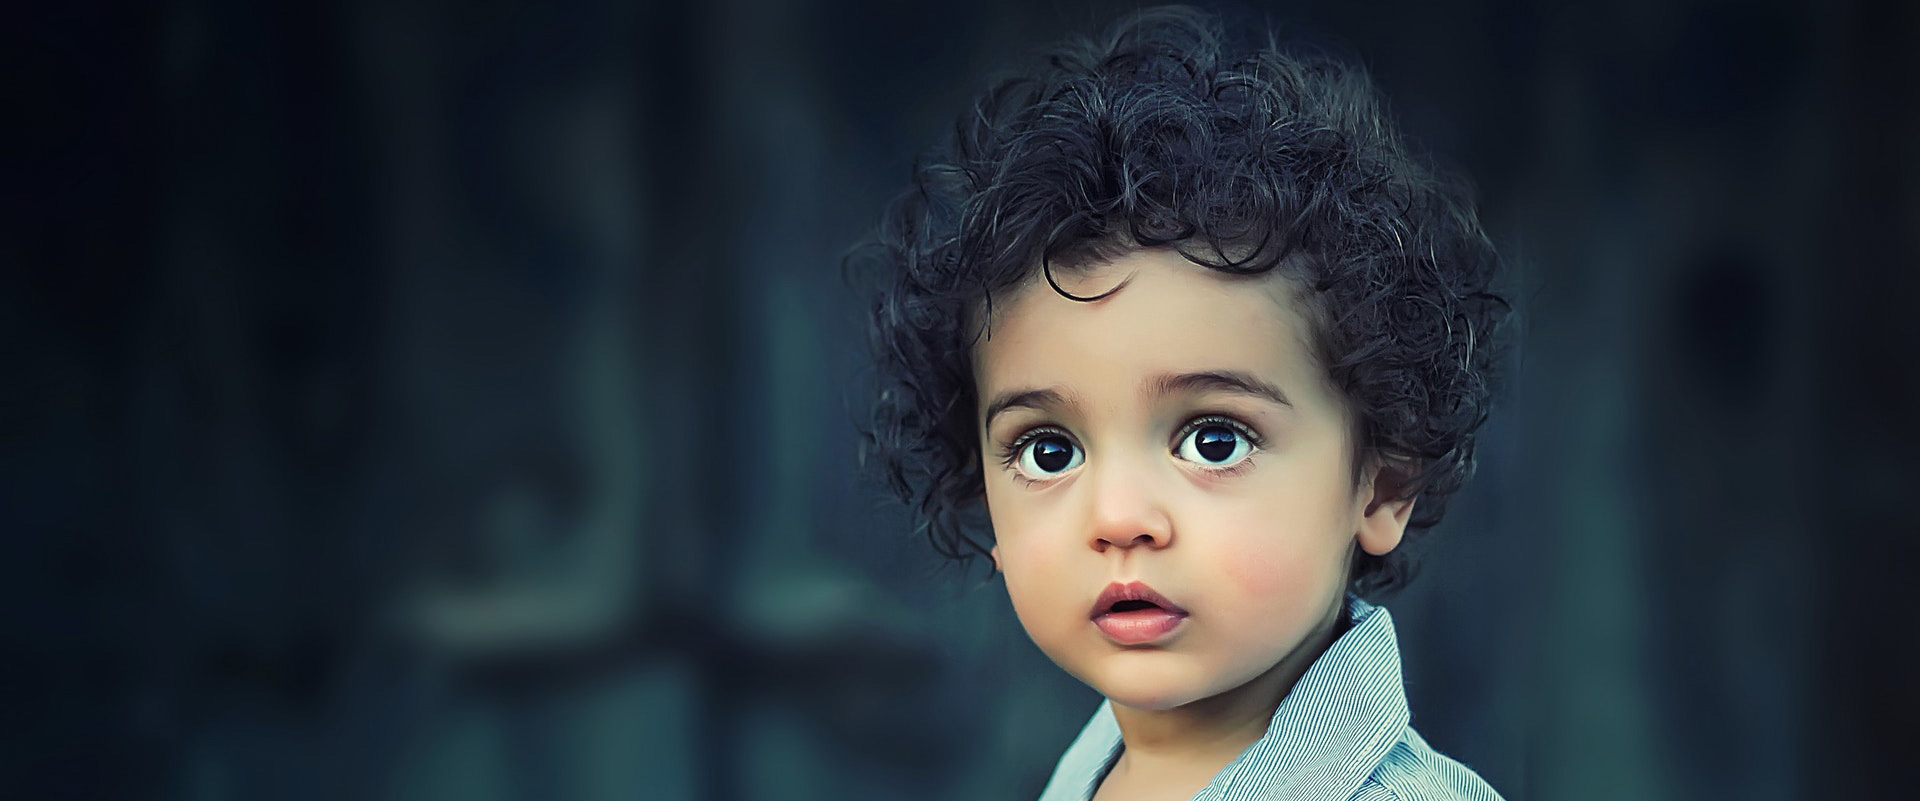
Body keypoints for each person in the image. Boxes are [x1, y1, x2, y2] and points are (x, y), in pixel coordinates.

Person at [854, 5, 1509, 799]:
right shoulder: (1088, 774)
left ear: (1383, 484)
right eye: (1048, 450)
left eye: (1214, 440)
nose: (1120, 517)